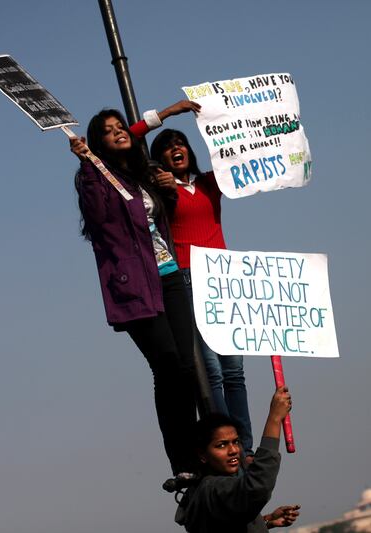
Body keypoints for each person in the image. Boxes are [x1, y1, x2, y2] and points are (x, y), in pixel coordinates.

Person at [69, 109, 200, 477]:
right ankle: (183, 462)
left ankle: (197, 453)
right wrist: (88, 164)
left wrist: (169, 192)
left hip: (169, 276)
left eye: (120, 128)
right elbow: (98, 215)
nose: (118, 133)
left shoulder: (140, 174)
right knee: (168, 367)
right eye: (108, 132)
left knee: (187, 367)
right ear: (99, 143)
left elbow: (159, 221)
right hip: (136, 287)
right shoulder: (95, 178)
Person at [126, 102, 256, 459]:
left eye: (179, 142)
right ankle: (221, 443)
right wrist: (170, 112)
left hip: (224, 276)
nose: (175, 148)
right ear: (158, 159)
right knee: (210, 369)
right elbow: (128, 141)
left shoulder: (211, 183)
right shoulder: (160, 193)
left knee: (235, 369)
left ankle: (243, 445)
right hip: (187, 276)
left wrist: (223, 117)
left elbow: (245, 151)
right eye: (166, 146)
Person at [177, 386, 300, 532]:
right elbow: (258, 486)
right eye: (221, 445)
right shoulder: (211, 489)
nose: (233, 450)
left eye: (235, 442)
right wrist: (274, 419)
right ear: (202, 455)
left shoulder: (210, 490)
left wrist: (265, 521)